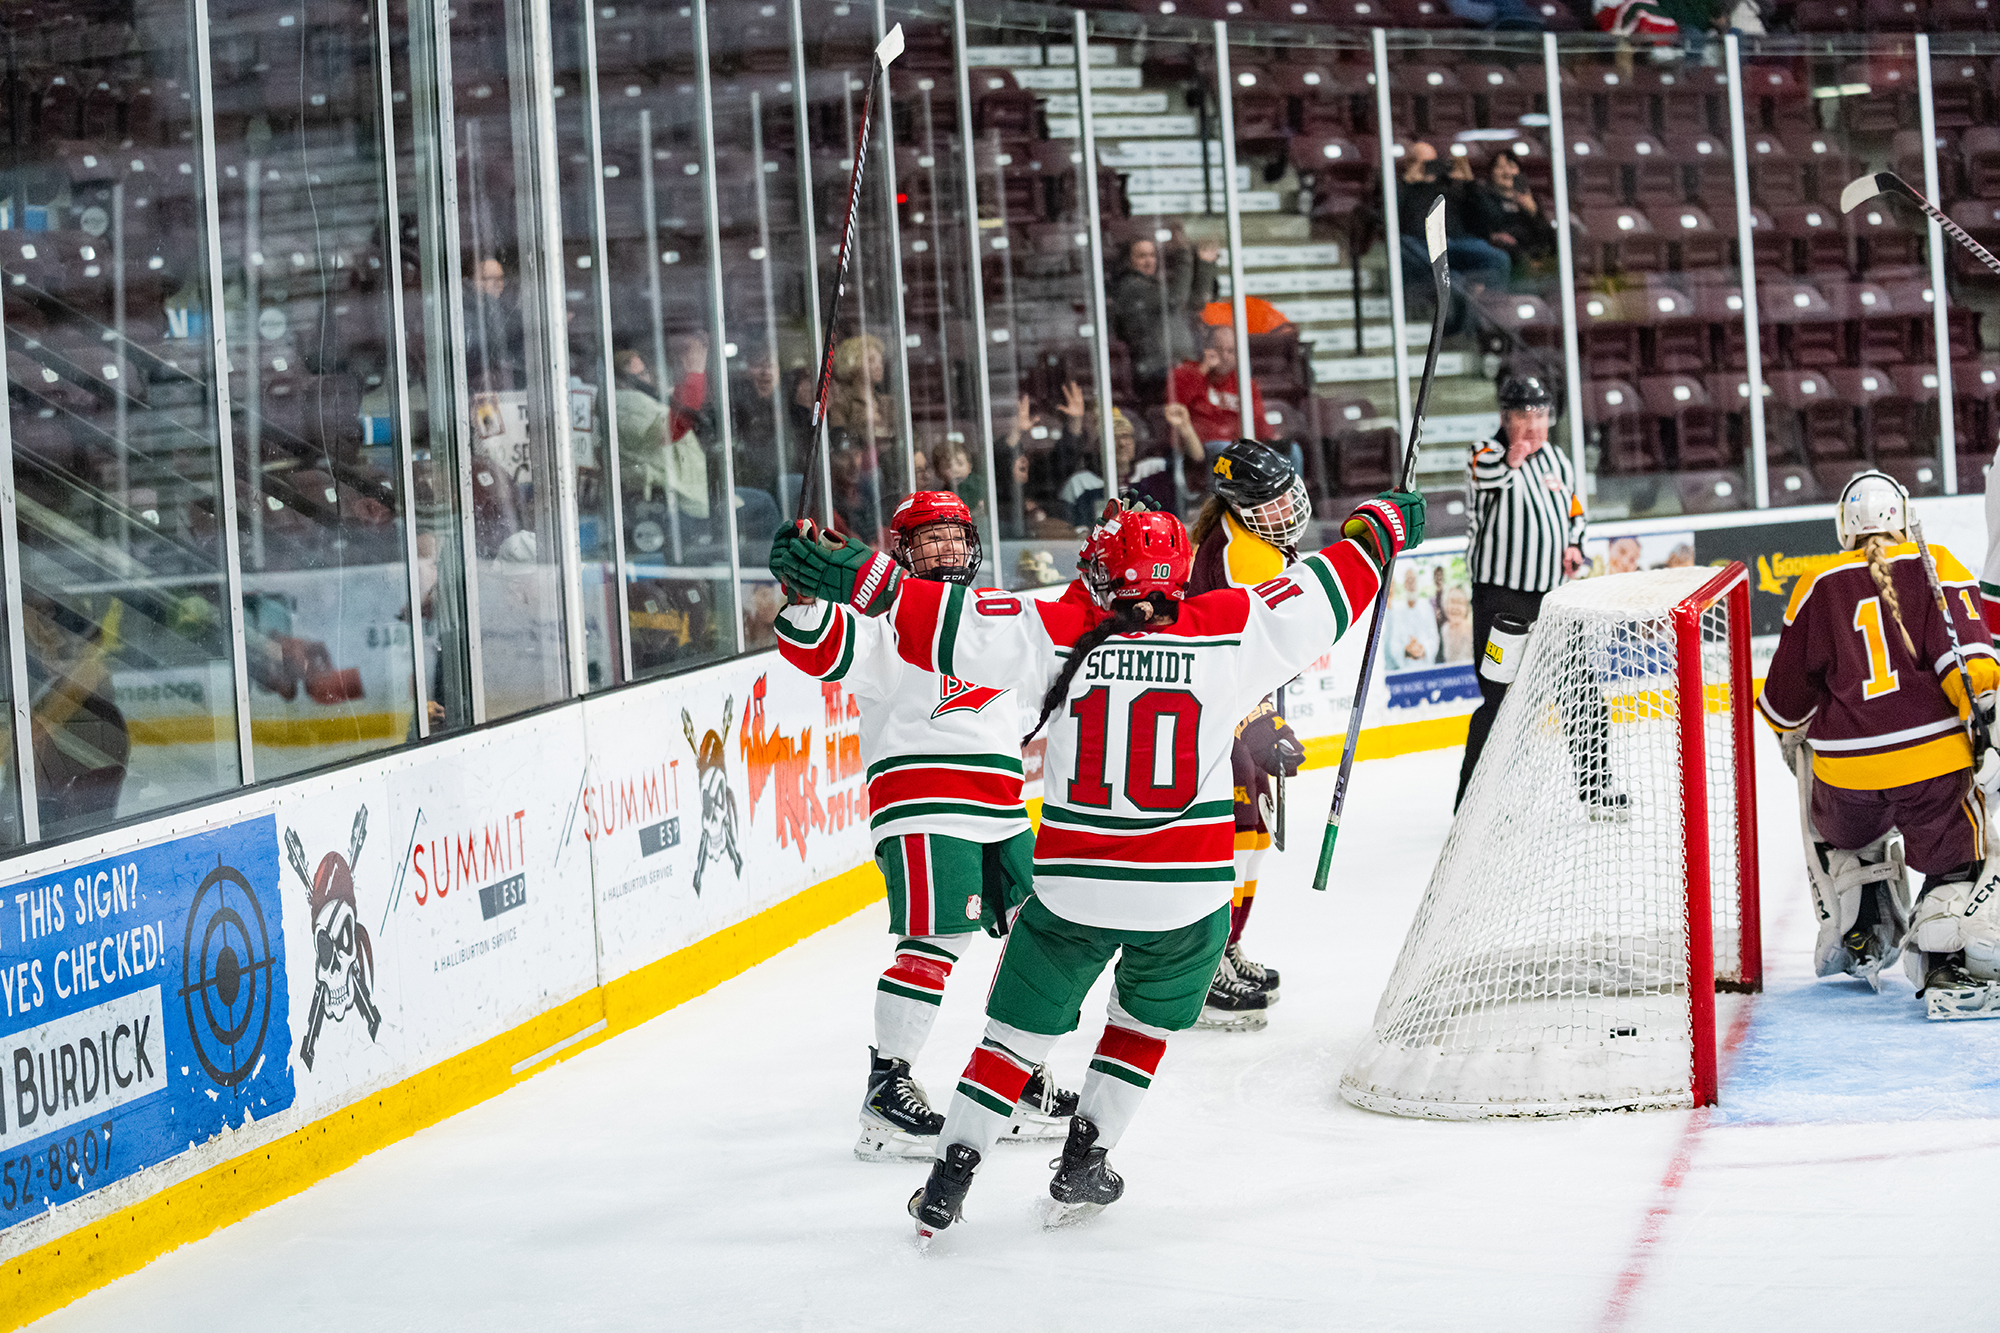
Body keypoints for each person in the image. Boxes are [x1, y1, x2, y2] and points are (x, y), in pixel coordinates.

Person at [770, 482, 1425, 1241]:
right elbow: (1323, 591)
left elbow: (945, 626)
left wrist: (856, 581)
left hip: (1073, 883)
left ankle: (951, 1173)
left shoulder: (1056, 628)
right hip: (1184, 895)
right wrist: (1375, 532)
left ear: (1100, 572)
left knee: (1012, 1035)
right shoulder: (1231, 626)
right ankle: (1087, 1155)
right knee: (1137, 1024)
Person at [770, 491, 1078, 1160]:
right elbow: (816, 645)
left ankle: (1020, 1074)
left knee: (1040, 931)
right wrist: (802, 596)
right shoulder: (885, 619)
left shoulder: (993, 616)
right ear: (899, 550)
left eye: (952, 537)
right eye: (926, 539)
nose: (942, 549)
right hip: (922, 800)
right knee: (938, 938)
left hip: (1000, 806)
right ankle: (887, 1088)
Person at [1757, 471, 2000, 1005]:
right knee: (1959, 849)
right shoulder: (1937, 562)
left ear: (1844, 526)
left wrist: (1801, 739)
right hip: (1934, 774)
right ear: (1904, 517)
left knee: (1844, 829)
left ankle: (1859, 918)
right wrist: (1981, 732)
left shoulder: (1817, 584)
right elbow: (1973, 670)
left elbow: (1782, 703)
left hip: (1848, 780)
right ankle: (1944, 954)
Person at [1184, 439, 1311, 1030]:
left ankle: (1225, 947)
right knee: (1230, 841)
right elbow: (1232, 656)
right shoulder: (1243, 556)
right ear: (1239, 505)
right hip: (1219, 717)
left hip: (1235, 712)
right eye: (1273, 500)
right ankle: (1205, 965)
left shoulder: (1254, 544)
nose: (1287, 509)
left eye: (1288, 494)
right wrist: (1260, 723)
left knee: (1250, 836)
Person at [1457, 374, 1601, 810]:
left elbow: (1576, 512)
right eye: (1525, 415)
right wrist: (1513, 461)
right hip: (1503, 602)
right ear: (1505, 417)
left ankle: (1596, 789)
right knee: (1500, 700)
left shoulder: (1558, 458)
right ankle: (1474, 802)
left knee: (1581, 690)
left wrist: (1576, 545)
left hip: (1556, 600)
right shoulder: (1486, 453)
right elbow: (1487, 480)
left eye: (1541, 414)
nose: (1535, 425)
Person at [1109, 231, 1218, 404]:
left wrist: (1205, 264)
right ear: (1128, 261)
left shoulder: (1153, 287)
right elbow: (1177, 298)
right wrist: (1184, 255)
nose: (1149, 261)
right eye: (1141, 256)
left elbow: (1197, 302)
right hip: (1157, 373)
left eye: (1152, 255)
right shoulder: (1129, 288)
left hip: (1179, 368)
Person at [1398, 143, 1509, 297]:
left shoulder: (1449, 185)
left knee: (1499, 259)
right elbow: (1392, 217)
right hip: (1422, 245)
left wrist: (1469, 184)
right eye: (1424, 163)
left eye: (1433, 162)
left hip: (1456, 243)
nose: (1429, 167)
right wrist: (1408, 183)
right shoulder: (1401, 187)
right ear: (1410, 163)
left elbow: (1490, 215)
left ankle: (1490, 306)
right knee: (1452, 277)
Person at [1168, 323, 1272, 452]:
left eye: (1231, 351)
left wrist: (1273, 442)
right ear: (1207, 349)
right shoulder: (1186, 374)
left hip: (1239, 449)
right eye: (1219, 349)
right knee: (1221, 448)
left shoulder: (1245, 384)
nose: (1225, 356)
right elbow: (1176, 408)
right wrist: (1203, 369)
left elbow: (1259, 425)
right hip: (1200, 451)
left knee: (1292, 451)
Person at [1468, 152, 1556, 275]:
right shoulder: (1483, 198)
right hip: (1508, 252)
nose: (1506, 172)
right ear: (1491, 173)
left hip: (1533, 251)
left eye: (1511, 166)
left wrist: (1533, 212)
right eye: (1500, 167)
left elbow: (1547, 236)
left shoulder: (1531, 201)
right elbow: (1485, 227)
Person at [1384, 565, 1441, 670]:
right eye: (1408, 580)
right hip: (1405, 668)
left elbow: (1434, 637)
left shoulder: (1426, 607)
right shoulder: (1398, 610)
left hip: (1426, 666)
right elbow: (1394, 642)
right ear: (1404, 584)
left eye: (1413, 580)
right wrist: (1407, 650)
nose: (1411, 584)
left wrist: (1422, 648)